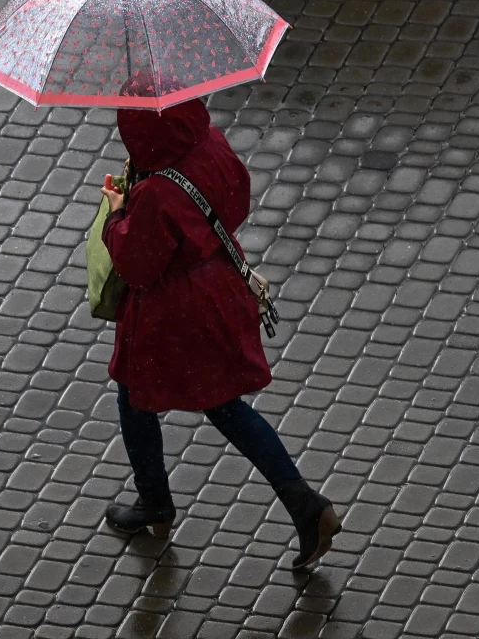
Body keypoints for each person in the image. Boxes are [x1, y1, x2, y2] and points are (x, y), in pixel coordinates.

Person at [99, 83, 341, 570]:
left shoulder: (156, 193)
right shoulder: (209, 143)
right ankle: (303, 505)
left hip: (173, 311)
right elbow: (233, 202)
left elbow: (138, 264)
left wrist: (117, 213)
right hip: (220, 289)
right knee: (224, 405)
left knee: (134, 389)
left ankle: (156, 503)